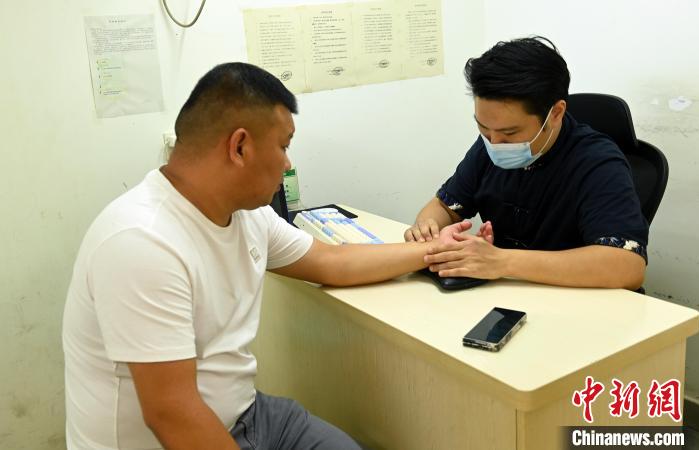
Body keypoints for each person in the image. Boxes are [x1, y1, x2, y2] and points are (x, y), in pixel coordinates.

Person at [62, 62, 469, 450]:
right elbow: (172, 414)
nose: (288, 163)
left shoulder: (246, 214)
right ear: (239, 147)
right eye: (283, 146)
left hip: (249, 416)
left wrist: (432, 250)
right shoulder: (142, 242)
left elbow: (331, 262)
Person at [405, 36, 648, 290]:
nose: (495, 143)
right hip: (507, 292)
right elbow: (445, 207)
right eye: (483, 128)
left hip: (574, 300)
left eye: (509, 133)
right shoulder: (490, 145)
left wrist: (501, 261)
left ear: (556, 114)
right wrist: (428, 230)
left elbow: (627, 266)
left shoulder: (597, 162)